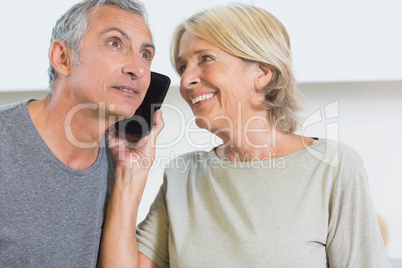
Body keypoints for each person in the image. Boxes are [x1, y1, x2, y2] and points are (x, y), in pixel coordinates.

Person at [100, 3, 392, 268]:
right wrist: (129, 174)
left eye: (206, 58)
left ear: (262, 72)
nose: (186, 79)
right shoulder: (184, 174)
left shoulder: (332, 166)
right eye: (183, 66)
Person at [0, 0, 164, 267]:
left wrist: (128, 179)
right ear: (62, 58)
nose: (138, 69)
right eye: (115, 43)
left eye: (146, 54)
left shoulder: (119, 161)